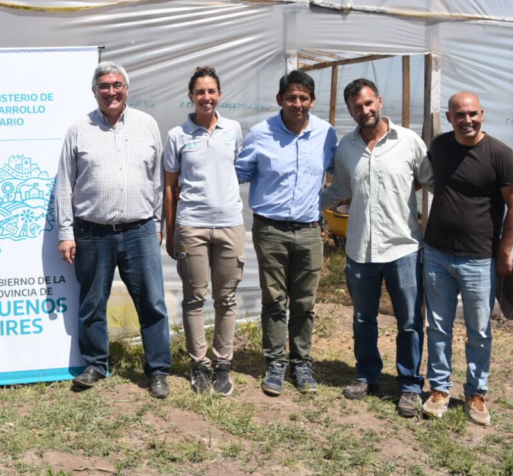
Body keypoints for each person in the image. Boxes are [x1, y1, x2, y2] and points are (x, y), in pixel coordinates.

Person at [55, 61, 172, 399]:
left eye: (117, 85)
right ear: (94, 92)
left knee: (152, 302)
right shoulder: (79, 129)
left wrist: (157, 225)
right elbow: (64, 183)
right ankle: (95, 364)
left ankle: (158, 370)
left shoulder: (147, 125)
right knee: (92, 302)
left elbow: (157, 180)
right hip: (93, 233)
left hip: (140, 230)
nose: (111, 91)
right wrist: (65, 233)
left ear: (127, 89)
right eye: (104, 86)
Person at [320, 79, 433, 417]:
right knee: (363, 318)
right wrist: (304, 207)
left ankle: (410, 384)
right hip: (361, 248)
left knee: (409, 320)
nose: (364, 110)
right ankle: (367, 376)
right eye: (357, 106)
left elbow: (430, 180)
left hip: (403, 247)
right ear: (350, 110)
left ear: (380, 101)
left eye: (369, 103)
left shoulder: (408, 141)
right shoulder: (347, 147)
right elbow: (340, 188)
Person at [422, 92, 513, 426]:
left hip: (479, 259)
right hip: (436, 253)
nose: (467, 120)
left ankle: (475, 393)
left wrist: (504, 253)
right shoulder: (439, 146)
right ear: (449, 117)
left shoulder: (500, 155)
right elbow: (422, 180)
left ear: (482, 113)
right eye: (460, 115)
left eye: (473, 114)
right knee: (438, 326)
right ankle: (439, 389)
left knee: (479, 330)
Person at [235, 70, 337, 395]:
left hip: (309, 231)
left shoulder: (326, 134)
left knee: (305, 301)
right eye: (291, 97)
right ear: (280, 99)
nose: (297, 104)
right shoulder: (260, 133)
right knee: (275, 300)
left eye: (303, 98)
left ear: (313, 101)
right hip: (270, 231)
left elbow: (340, 172)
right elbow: (238, 172)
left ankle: (302, 363)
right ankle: (276, 363)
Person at [164, 67, 245, 396]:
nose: (206, 97)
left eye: (211, 91)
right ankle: (199, 364)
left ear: (220, 95)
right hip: (192, 225)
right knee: (194, 298)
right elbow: (170, 187)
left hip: (230, 224)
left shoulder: (233, 130)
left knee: (226, 298)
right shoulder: (177, 135)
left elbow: (236, 169)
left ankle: (223, 363)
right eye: (200, 92)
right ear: (191, 96)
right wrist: (171, 231)